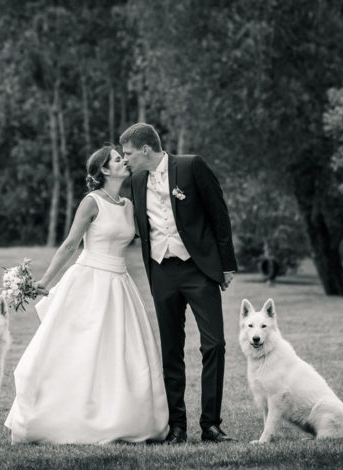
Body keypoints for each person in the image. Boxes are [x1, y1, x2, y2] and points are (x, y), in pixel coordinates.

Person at [4, 146, 169, 444]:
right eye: (119, 159)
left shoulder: (129, 205)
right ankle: (63, 418)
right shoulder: (91, 203)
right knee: (80, 350)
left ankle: (123, 418)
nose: (125, 161)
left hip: (120, 284)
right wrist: (45, 281)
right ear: (105, 170)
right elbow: (70, 245)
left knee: (120, 352)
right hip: (89, 282)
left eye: (123, 157)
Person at [121, 123, 237, 444]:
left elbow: (219, 215)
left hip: (198, 269)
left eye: (128, 153)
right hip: (161, 273)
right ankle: (177, 427)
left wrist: (226, 265)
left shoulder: (191, 166)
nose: (125, 158)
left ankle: (211, 425)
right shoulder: (134, 181)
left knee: (214, 344)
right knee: (171, 351)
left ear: (145, 149)